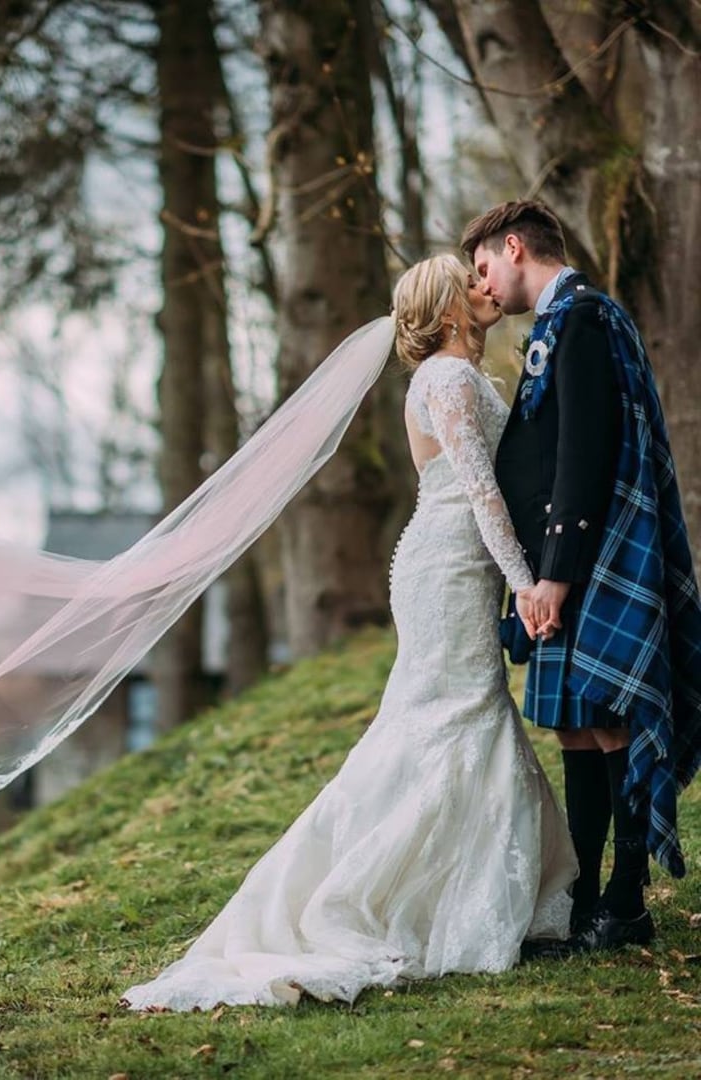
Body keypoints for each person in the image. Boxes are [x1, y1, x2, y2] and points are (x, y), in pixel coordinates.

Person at [119, 254, 577, 1011]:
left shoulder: (452, 377)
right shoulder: (451, 379)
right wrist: (526, 582)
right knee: (456, 718)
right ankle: (398, 896)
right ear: (450, 308)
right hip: (449, 570)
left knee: (447, 719)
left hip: (451, 563)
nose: (485, 288)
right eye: (470, 284)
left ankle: (464, 887)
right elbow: (477, 489)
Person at [463, 200, 701, 953]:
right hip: (564, 566)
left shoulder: (586, 319)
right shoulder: (560, 324)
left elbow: (586, 455)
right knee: (574, 726)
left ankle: (627, 900)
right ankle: (591, 897)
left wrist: (557, 575)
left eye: (482, 269)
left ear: (513, 247)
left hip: (597, 562)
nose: (482, 286)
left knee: (610, 720)